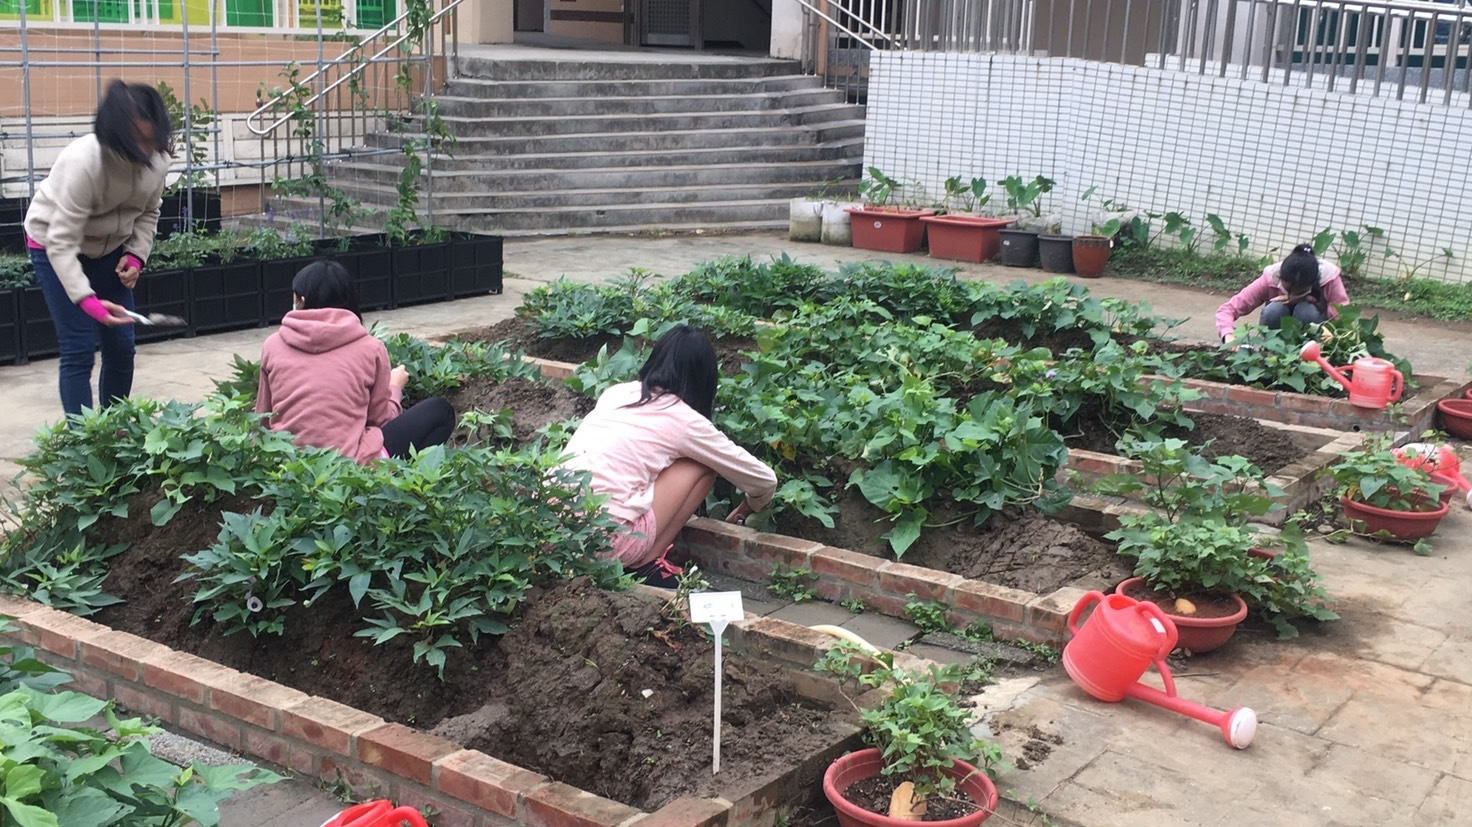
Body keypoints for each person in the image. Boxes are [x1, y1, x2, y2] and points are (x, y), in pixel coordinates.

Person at [557, 324, 778, 585]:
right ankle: (645, 564)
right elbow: (764, 480)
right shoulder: (684, 419)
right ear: (704, 379)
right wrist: (746, 508)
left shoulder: (616, 393)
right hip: (608, 547)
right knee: (702, 464)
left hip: (555, 536)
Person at [24, 80, 172, 416]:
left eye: (153, 140)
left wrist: (136, 254)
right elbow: (60, 243)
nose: (147, 151)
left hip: (109, 250)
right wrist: (87, 301)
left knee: (122, 348)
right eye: (138, 142)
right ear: (115, 137)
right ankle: (85, 445)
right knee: (78, 350)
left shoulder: (158, 160)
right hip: (55, 246)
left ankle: (114, 431)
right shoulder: (83, 164)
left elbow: (149, 211)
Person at [255, 260, 456, 462]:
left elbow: (262, 418)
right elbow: (381, 420)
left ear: (300, 300)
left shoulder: (273, 345)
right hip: (349, 467)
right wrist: (395, 388)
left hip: (287, 467)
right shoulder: (370, 348)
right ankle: (395, 482)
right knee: (440, 411)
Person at [1216, 244, 1350, 344]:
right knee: (1275, 309)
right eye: (1287, 288)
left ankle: (1307, 352)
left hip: (1313, 339)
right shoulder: (1271, 277)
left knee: (1305, 310)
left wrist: (1330, 334)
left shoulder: (1329, 278)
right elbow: (1228, 309)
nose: (1292, 293)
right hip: (1277, 335)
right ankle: (1271, 350)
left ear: (1313, 283)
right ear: (1280, 277)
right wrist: (1228, 334)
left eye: (1299, 291)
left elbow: (1342, 317)